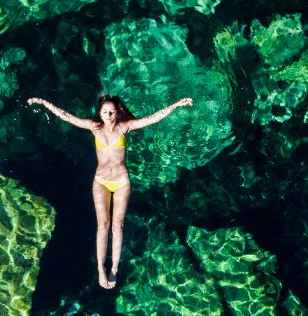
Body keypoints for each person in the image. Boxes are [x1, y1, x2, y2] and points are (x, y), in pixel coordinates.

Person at [27, 94, 194, 289]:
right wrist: (43, 102)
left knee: (118, 225)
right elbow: (66, 116)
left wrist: (176, 104)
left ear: (117, 113)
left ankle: (114, 268)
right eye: (105, 111)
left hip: (121, 182)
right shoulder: (94, 127)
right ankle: (100, 268)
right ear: (99, 113)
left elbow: (152, 118)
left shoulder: (125, 128)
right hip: (101, 181)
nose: (109, 115)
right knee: (103, 225)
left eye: (112, 112)